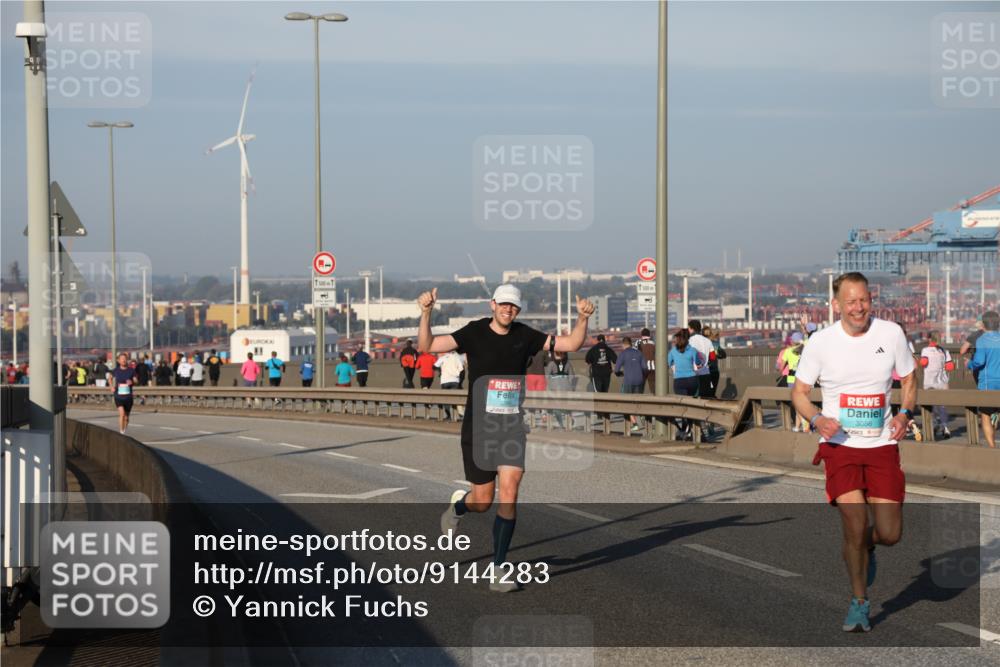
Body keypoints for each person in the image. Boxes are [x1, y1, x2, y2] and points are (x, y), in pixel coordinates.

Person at [427, 284, 595, 592]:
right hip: (479, 428)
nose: (508, 309)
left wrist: (582, 318)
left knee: (510, 488)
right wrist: (426, 313)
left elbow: (570, 343)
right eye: (504, 304)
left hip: (511, 427)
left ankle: (499, 569)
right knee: (482, 501)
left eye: (514, 306)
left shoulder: (525, 335)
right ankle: (458, 508)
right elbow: (429, 346)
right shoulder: (473, 332)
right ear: (492, 304)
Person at [791, 272, 916, 633]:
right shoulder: (821, 343)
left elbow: (908, 379)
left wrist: (906, 413)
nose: (859, 307)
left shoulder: (890, 334)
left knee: (890, 533)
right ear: (836, 305)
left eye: (864, 300)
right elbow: (798, 393)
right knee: (855, 524)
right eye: (851, 301)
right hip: (840, 447)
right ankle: (859, 602)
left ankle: (867, 548)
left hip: (881, 445)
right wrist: (816, 419)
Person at [969, 310, 1000, 448]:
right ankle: (997, 412)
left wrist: (969, 364)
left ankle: (992, 448)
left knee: (985, 414)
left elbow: (979, 362)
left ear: (984, 324)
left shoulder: (982, 340)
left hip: (988, 382)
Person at [668, 329, 704, 438]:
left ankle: (685, 429)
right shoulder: (693, 350)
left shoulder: (673, 351)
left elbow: (669, 362)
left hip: (679, 381)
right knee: (691, 405)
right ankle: (690, 429)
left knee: (683, 406)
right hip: (692, 380)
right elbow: (698, 363)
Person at [919, 332, 953, 439]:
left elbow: (923, 363)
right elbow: (950, 366)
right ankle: (945, 427)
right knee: (942, 406)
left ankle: (935, 424)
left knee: (932, 405)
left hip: (930, 382)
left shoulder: (925, 350)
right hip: (942, 382)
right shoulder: (944, 351)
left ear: (929, 339)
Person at [614, 335, 647, 433]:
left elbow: (616, 370)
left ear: (623, 345)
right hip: (639, 380)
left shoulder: (623, 354)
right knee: (638, 401)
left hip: (628, 381)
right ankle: (642, 415)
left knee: (626, 403)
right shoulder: (639, 353)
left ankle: (635, 424)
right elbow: (645, 368)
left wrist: (620, 374)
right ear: (631, 344)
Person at [546, 351, 576, 428]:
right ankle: (569, 421)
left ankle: (560, 424)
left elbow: (547, 376)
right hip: (566, 387)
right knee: (567, 405)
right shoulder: (568, 364)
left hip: (555, 387)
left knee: (556, 406)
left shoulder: (551, 364)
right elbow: (572, 377)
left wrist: (549, 386)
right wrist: (571, 387)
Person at [110, 352, 136, 435]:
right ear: (118, 360)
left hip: (128, 397)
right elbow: (110, 378)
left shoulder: (131, 370)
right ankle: (121, 432)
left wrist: (132, 381)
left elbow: (136, 380)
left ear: (127, 360)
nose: (124, 360)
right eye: (122, 359)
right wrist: (111, 387)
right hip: (118, 396)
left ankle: (124, 430)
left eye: (125, 359)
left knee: (127, 417)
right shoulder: (116, 370)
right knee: (122, 413)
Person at [435, 350, 466, 419]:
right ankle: (459, 413)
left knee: (446, 399)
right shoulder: (456, 358)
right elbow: (461, 369)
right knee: (456, 398)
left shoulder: (443, 358)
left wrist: (440, 371)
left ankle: (448, 415)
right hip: (455, 380)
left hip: (444, 381)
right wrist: (460, 380)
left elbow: (434, 366)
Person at [687, 320, 714, 398]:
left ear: (691, 329)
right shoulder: (708, 341)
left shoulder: (690, 341)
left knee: (693, 399)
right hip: (706, 373)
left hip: (693, 374)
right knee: (705, 399)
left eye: (688, 328)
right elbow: (712, 357)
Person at [960, 319, 986, 386]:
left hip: (977, 365)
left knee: (982, 388)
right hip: (993, 366)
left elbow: (962, 351)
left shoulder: (973, 335)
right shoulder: (994, 335)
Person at [704, 325, 727, 399]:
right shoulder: (716, 345)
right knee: (712, 391)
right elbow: (723, 355)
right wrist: (717, 355)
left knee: (706, 392)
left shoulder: (703, 344)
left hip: (705, 371)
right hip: (714, 370)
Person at [636, 327, 657, 394]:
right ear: (649, 335)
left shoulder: (638, 343)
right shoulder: (653, 343)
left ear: (641, 335)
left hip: (642, 368)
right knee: (653, 388)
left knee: (640, 388)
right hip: (652, 368)